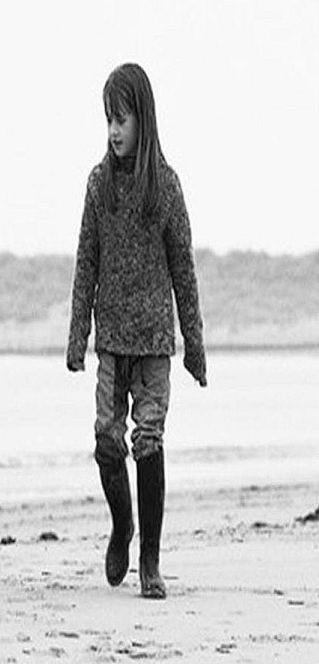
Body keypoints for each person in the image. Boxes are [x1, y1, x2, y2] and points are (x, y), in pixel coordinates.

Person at [67, 62, 207, 600]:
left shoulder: (165, 187)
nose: (112, 130)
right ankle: (122, 525)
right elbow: (86, 262)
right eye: (107, 119)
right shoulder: (98, 184)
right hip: (111, 342)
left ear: (142, 120)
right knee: (107, 441)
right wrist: (77, 335)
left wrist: (194, 346)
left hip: (153, 345)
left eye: (121, 119)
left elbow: (183, 270)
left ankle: (150, 560)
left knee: (148, 440)